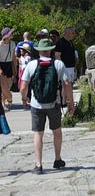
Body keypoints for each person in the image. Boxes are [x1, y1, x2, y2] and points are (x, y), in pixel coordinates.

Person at [20, 38, 74, 174]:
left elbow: (23, 86)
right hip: (53, 103)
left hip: (36, 105)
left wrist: (24, 99)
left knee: (38, 133)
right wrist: (70, 102)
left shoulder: (31, 65)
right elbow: (67, 84)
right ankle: (57, 159)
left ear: (38, 51)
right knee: (57, 131)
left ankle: (38, 165)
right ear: (50, 50)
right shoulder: (58, 64)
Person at [53, 28, 78, 104]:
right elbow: (57, 55)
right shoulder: (61, 42)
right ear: (67, 33)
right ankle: (63, 102)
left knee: (70, 85)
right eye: (72, 33)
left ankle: (69, 101)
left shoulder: (70, 42)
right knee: (65, 85)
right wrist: (61, 67)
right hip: (65, 67)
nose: (74, 34)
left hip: (71, 67)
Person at [0, 27, 17, 109]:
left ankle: (5, 100)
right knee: (3, 86)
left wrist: (15, 70)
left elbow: (14, 57)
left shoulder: (13, 43)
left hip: (9, 65)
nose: (12, 34)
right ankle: (3, 103)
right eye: (11, 33)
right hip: (1, 65)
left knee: (8, 85)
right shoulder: (0, 45)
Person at [17, 43, 31, 110]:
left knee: (25, 88)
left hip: (25, 74)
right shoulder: (21, 57)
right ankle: (24, 101)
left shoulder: (27, 58)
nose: (20, 50)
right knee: (22, 88)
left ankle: (25, 101)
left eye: (22, 50)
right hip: (21, 74)